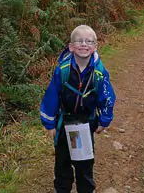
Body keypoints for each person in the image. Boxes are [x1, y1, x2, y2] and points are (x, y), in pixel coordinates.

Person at [40, 25, 116, 193]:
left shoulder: (99, 74)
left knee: (84, 164)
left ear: (95, 46)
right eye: (79, 41)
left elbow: (107, 97)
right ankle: (62, 189)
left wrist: (104, 119)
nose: (84, 44)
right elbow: (51, 97)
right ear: (71, 46)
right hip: (64, 123)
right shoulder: (63, 70)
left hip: (85, 123)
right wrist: (49, 124)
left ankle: (86, 189)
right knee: (62, 162)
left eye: (89, 41)